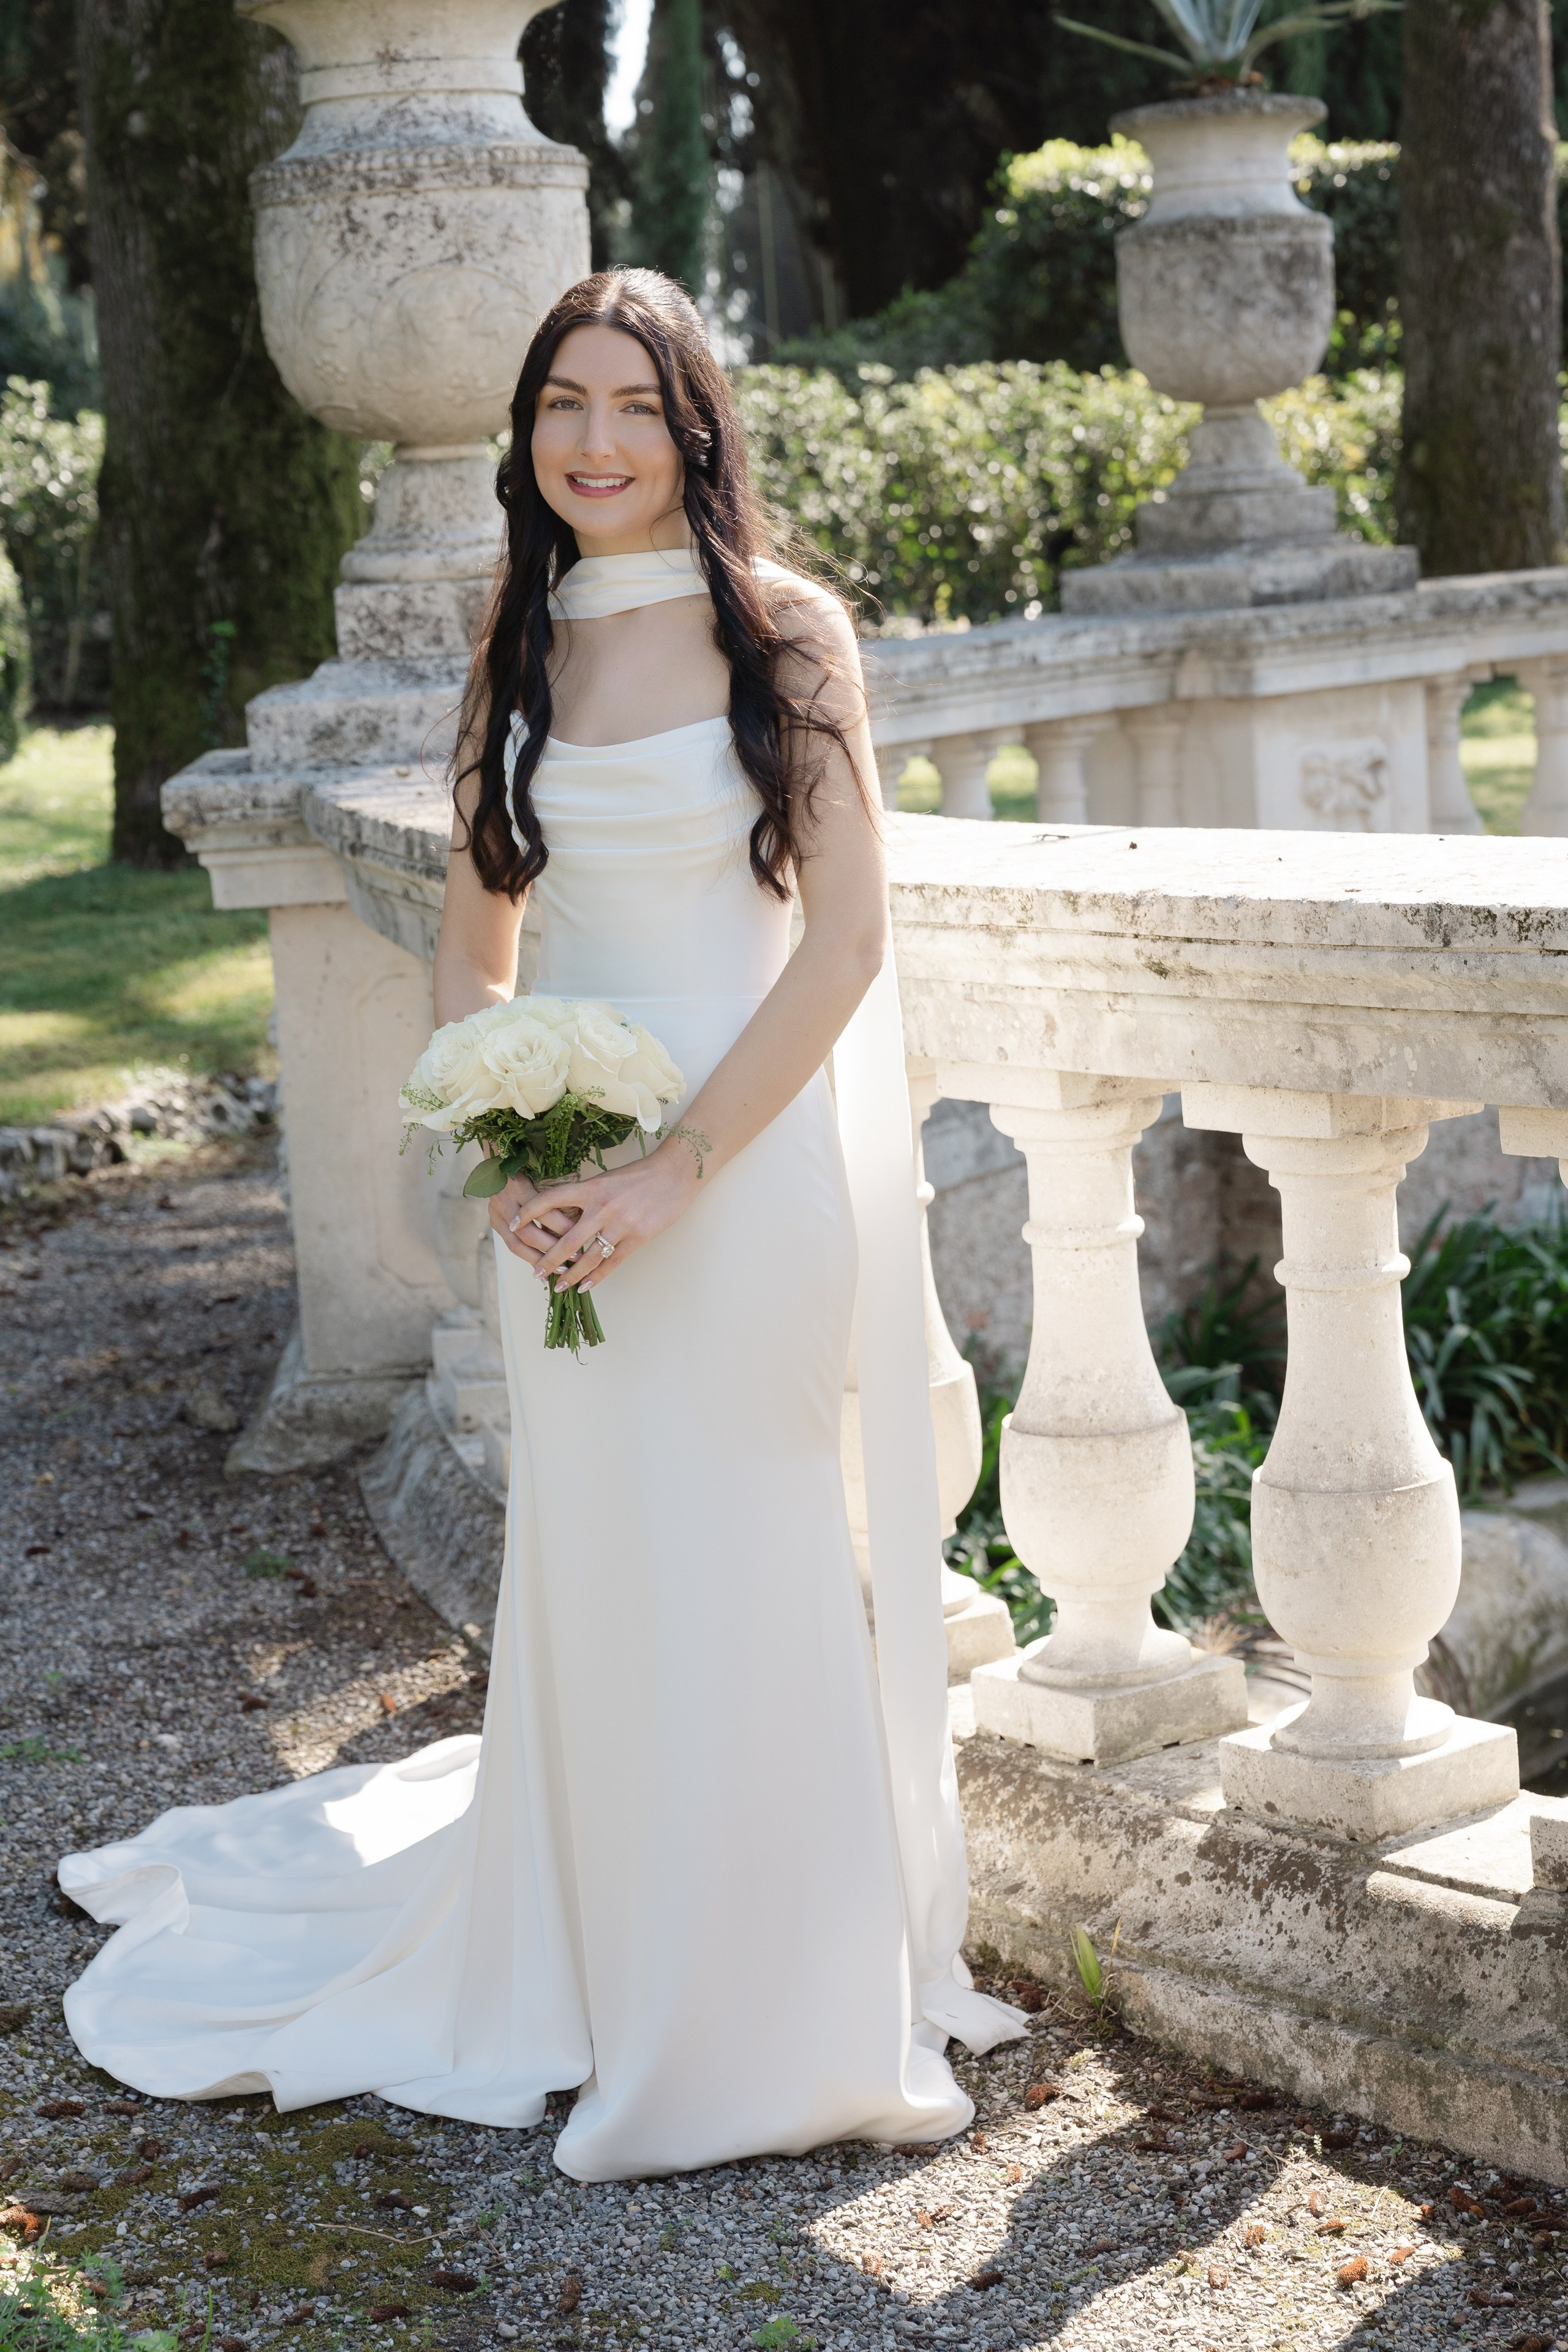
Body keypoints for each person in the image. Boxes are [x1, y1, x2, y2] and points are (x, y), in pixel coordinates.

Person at [58, 268, 1025, 2180]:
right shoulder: (515, 639)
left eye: (635, 406)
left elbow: (845, 946)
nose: (596, 441)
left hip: (739, 1175)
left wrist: (674, 1169)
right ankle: (598, 1957)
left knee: (748, 1550)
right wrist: (509, 1145)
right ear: (526, 435)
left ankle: (776, 2000)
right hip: (566, 1181)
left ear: (696, 430)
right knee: (599, 1562)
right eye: (564, 404)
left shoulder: (789, 635)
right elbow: (475, 946)